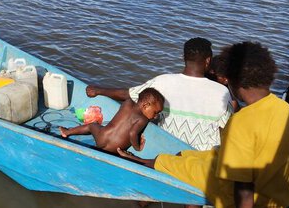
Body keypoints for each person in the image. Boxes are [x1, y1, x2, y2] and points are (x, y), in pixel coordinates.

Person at [117, 41, 289, 208]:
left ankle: (149, 162)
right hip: (279, 198)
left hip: (249, 199)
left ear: (234, 81)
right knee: (188, 157)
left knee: (179, 165)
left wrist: (165, 162)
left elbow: (242, 192)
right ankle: (156, 162)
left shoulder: (242, 123)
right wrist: (188, 155)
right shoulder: (288, 113)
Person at [86, 37, 233, 151]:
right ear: (208, 61)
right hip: (203, 156)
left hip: (167, 150)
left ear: (183, 58)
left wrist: (98, 90)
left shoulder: (163, 82)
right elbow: (229, 129)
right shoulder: (222, 92)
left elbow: (130, 95)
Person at [59, 88, 165, 154]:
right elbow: (133, 133)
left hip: (101, 137)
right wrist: (137, 147)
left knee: (92, 126)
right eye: (155, 112)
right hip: (114, 149)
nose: (155, 116)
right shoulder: (143, 119)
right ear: (145, 105)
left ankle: (67, 132)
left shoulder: (127, 103)